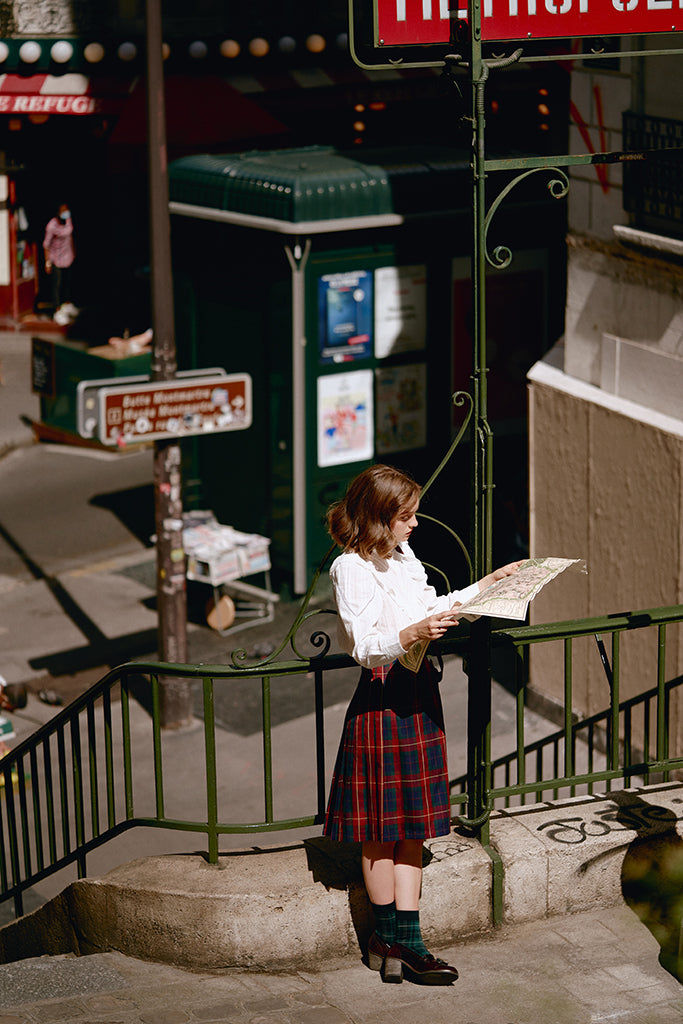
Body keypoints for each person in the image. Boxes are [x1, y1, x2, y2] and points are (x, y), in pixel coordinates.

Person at [323, 463, 522, 986]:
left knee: (413, 828)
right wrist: (412, 631)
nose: (415, 525)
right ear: (378, 517)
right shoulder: (351, 568)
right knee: (380, 833)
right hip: (383, 697)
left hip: (420, 693)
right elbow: (366, 648)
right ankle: (388, 939)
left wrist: (487, 585)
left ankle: (408, 944)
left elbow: (434, 606)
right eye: (405, 516)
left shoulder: (404, 558)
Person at [43, 203, 77, 324]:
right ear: (57, 212)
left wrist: (73, 251)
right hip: (56, 258)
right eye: (63, 211)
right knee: (57, 284)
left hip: (68, 256)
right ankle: (57, 311)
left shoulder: (68, 220)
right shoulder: (52, 226)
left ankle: (66, 305)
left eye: (67, 210)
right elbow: (46, 245)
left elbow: (70, 236)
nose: (66, 213)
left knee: (67, 282)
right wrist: (48, 262)